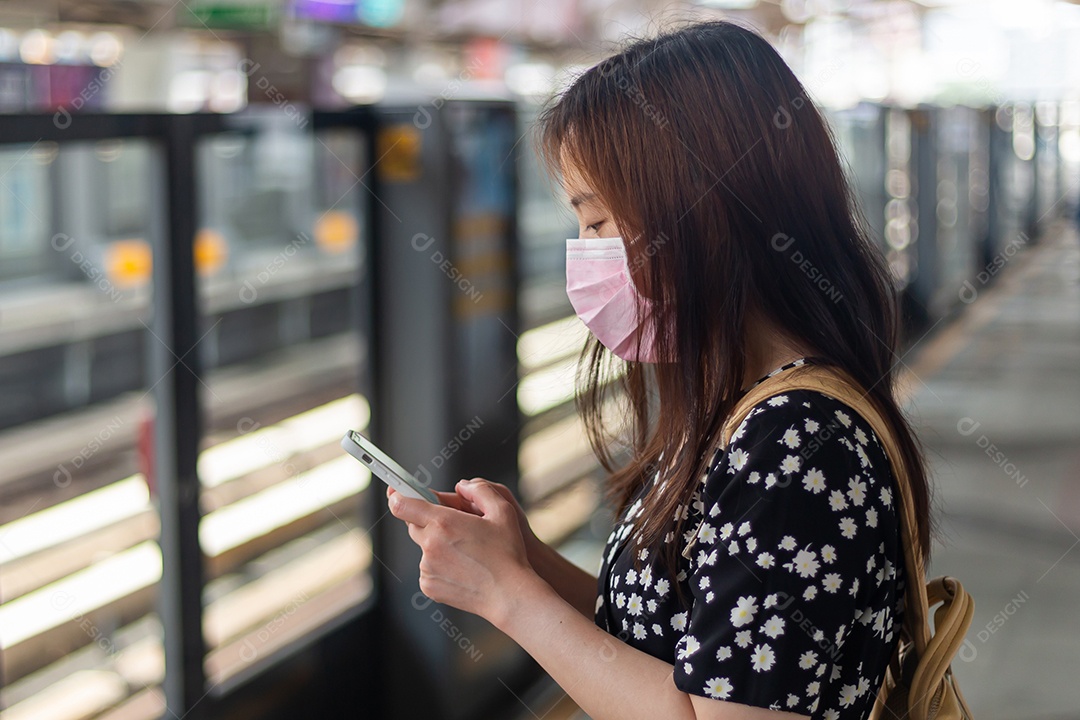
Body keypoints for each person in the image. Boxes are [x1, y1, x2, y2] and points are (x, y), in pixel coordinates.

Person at [387, 20, 933, 720]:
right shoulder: (742, 405)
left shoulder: (795, 445)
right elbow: (683, 642)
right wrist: (523, 559)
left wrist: (509, 597)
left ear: (698, 214)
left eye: (596, 222)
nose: (584, 251)